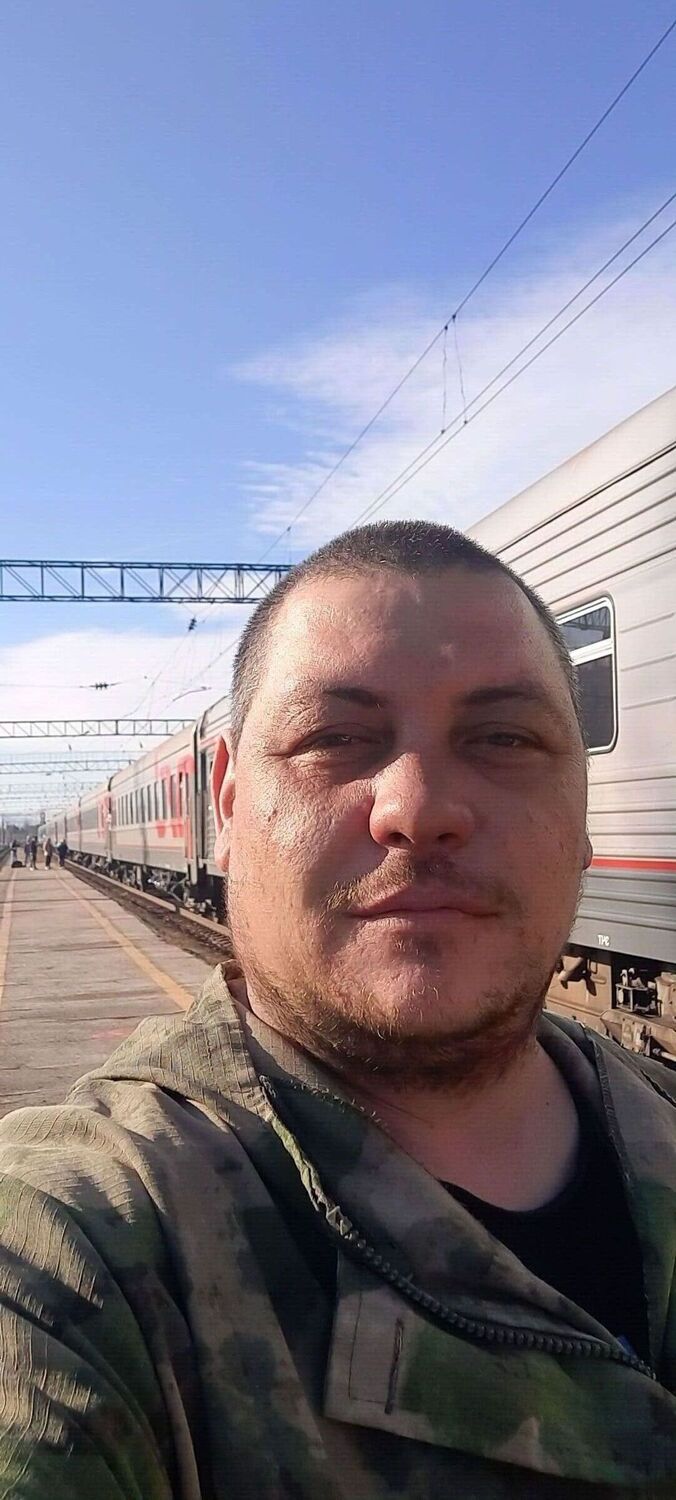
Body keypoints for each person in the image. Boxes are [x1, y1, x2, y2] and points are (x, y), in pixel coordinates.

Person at [0, 520, 674, 1498]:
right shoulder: (79, 1250)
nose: (418, 807)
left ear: (581, 811)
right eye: (334, 739)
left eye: (504, 739)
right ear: (228, 807)